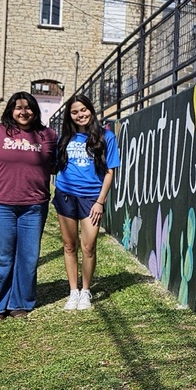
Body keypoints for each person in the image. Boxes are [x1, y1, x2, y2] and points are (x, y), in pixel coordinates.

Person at [0, 92, 56, 322]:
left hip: (34, 206)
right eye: (18, 107)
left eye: (28, 107)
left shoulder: (48, 135)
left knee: (28, 256)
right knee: (0, 256)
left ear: (35, 110)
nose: (23, 112)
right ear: (11, 110)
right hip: (1, 204)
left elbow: (56, 165)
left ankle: (20, 303)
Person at [54, 95, 120, 310]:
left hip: (92, 198)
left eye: (84, 110)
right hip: (65, 195)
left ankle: (86, 291)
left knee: (89, 246)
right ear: (69, 115)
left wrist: (100, 201)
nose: (80, 115)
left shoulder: (106, 136)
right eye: (75, 112)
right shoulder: (64, 138)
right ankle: (73, 292)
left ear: (91, 110)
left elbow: (110, 172)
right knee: (69, 245)